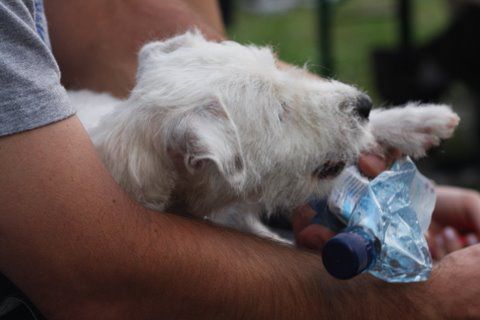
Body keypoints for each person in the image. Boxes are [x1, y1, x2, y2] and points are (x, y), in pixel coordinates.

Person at [0, 0, 480, 319]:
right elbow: (95, 278)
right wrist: (420, 303)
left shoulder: (164, 137)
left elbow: (129, 17)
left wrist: (362, 170)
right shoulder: (175, 149)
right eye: (279, 114)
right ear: (198, 155)